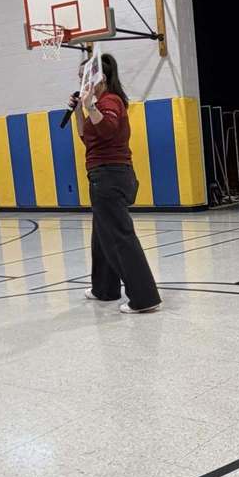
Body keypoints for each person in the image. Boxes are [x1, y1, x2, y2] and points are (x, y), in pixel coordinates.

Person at [70, 52, 162, 313]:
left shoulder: (110, 101)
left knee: (120, 237)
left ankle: (145, 298)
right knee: (101, 235)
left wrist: (90, 107)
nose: (81, 84)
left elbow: (108, 128)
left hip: (109, 178)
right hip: (105, 176)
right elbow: (87, 137)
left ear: (99, 78)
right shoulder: (98, 104)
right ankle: (104, 288)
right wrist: (80, 110)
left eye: (83, 78)